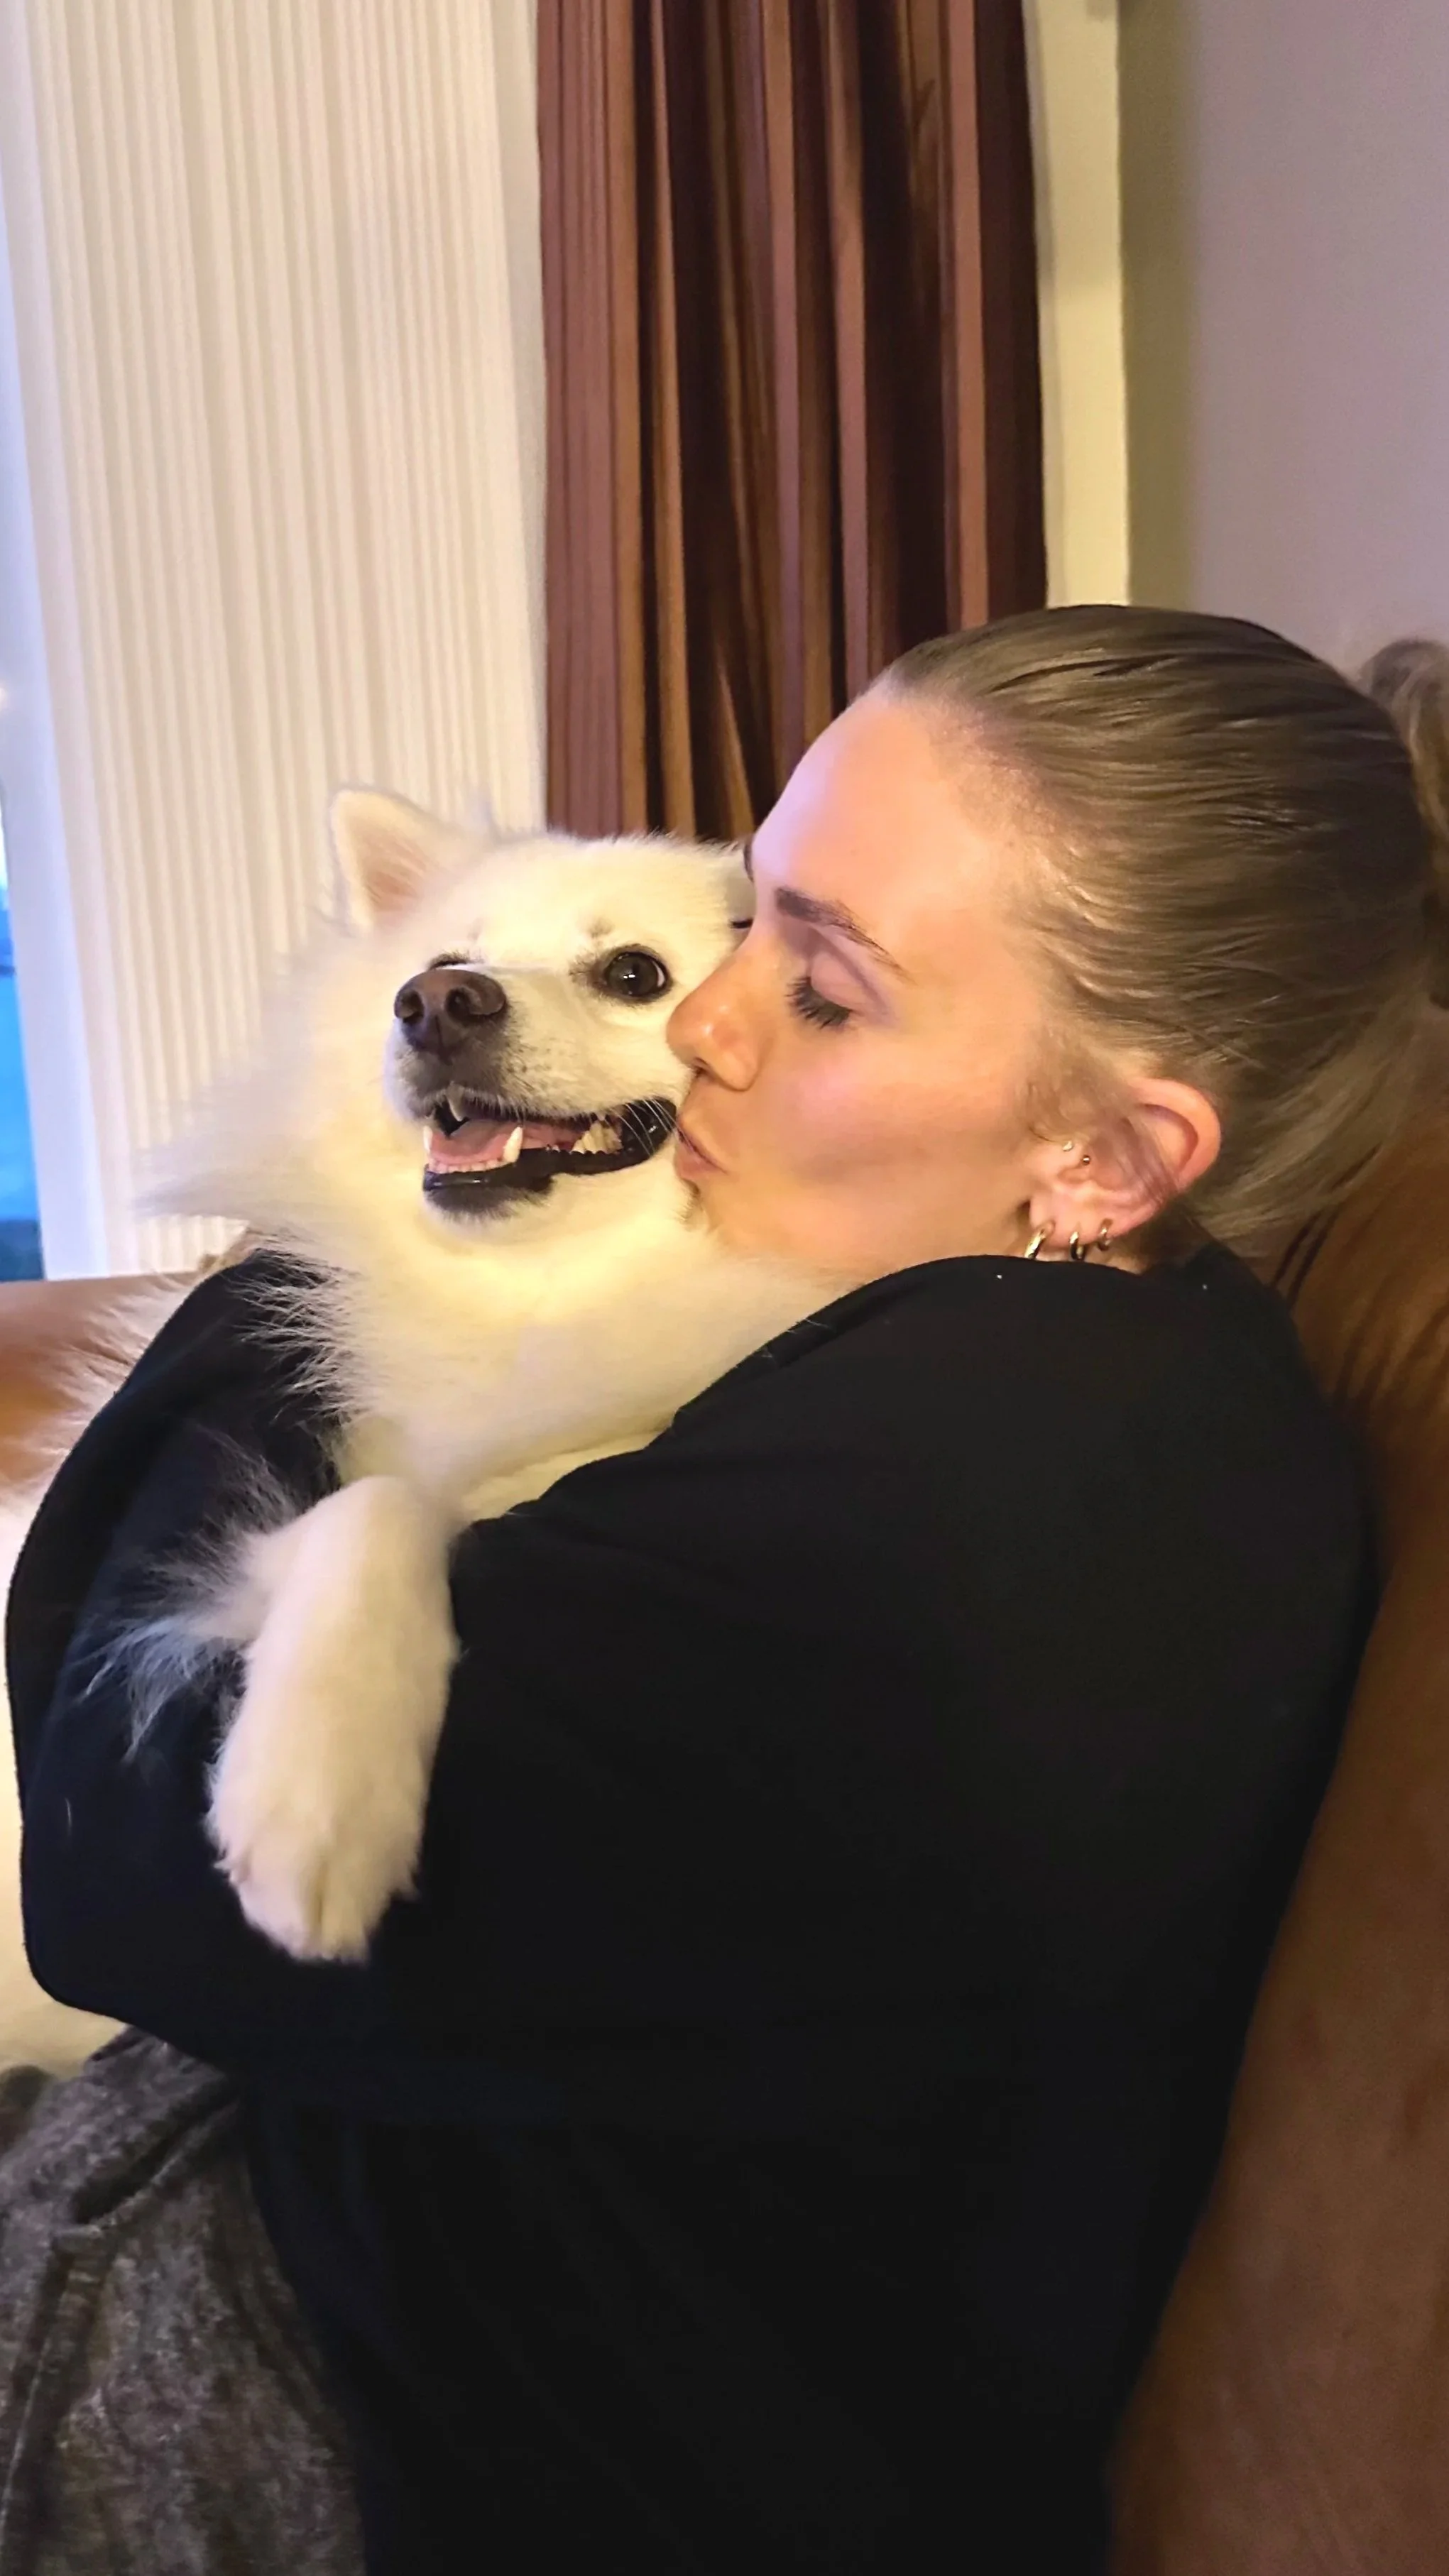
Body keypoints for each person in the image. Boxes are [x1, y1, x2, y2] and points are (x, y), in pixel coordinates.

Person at [4, 606, 1445, 2575]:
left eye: (826, 988)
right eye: (754, 913)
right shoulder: (1046, 1368)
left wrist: (340, 1215)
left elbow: (115, 1863)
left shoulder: (996, 1514)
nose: (711, 1019)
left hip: (314, 2401)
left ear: (1106, 1154)